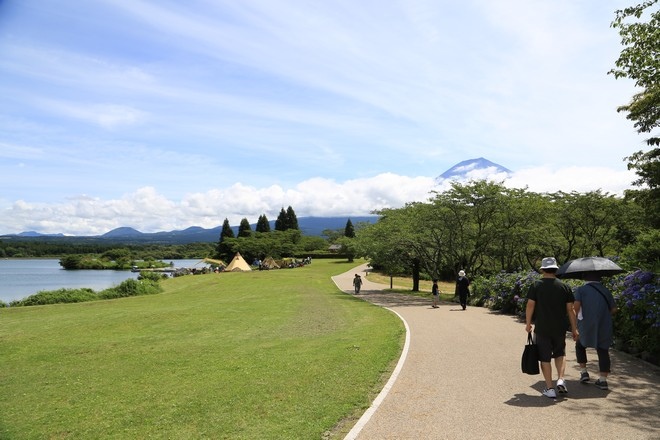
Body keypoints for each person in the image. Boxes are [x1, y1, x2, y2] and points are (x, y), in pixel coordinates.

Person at [525, 257, 578, 399]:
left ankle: (550, 388)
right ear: (556, 269)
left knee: (545, 358)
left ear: (542, 269)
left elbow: (530, 305)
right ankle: (561, 379)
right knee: (560, 353)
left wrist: (528, 323)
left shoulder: (536, 285)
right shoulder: (564, 286)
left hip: (542, 327)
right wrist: (574, 328)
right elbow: (571, 309)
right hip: (559, 328)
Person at [573, 273, 617, 390]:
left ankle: (584, 373)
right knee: (603, 350)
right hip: (604, 324)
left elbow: (575, 308)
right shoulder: (606, 290)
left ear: (585, 278)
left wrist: (573, 324)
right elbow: (614, 309)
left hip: (586, 324)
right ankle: (603, 380)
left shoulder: (581, 290)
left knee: (580, 345)